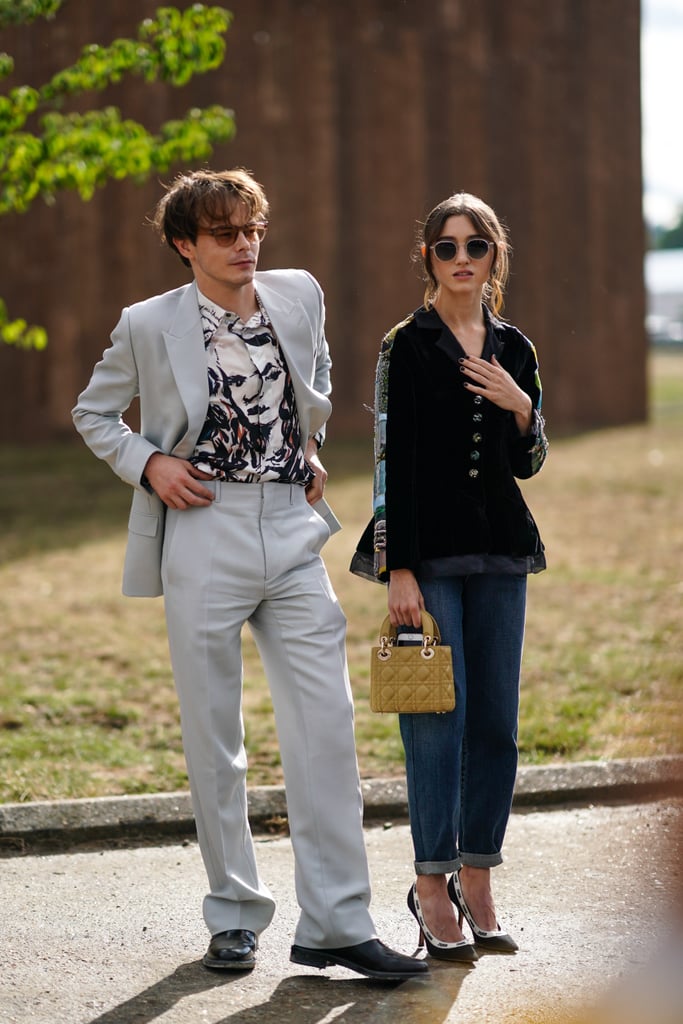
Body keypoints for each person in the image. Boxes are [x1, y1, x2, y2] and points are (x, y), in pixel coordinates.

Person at [72, 168, 428, 982]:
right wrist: (150, 462)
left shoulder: (297, 293)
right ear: (184, 244)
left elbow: (318, 377)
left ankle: (337, 924)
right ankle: (234, 915)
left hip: (290, 529)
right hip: (202, 527)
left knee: (326, 727)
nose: (244, 246)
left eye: (252, 229)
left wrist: (306, 444)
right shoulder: (146, 323)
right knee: (214, 737)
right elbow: (93, 413)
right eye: (225, 234)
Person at [351, 191, 549, 962]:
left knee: (496, 723)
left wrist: (520, 408)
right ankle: (429, 883)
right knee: (437, 720)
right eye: (446, 247)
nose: (461, 259)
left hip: (501, 549)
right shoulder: (406, 344)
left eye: (476, 247)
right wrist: (398, 567)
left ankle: (478, 876)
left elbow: (527, 464)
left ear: (494, 256)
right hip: (426, 556)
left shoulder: (516, 347)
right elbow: (387, 461)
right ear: (427, 257)